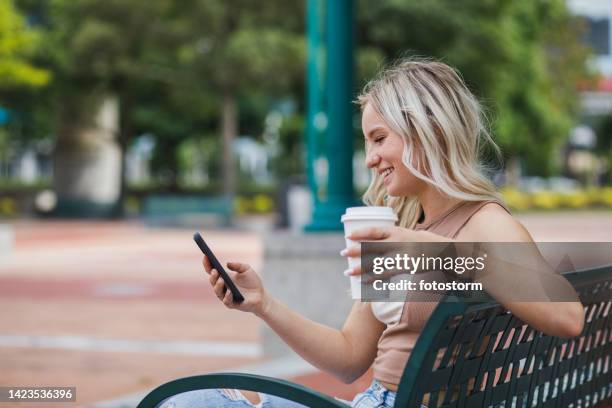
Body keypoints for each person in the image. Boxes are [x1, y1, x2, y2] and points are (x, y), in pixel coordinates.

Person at [159, 58, 585, 408]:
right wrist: (263, 304)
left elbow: (567, 316)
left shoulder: (484, 221)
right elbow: (349, 358)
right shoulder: (404, 229)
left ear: (427, 130)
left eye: (379, 139)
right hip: (374, 400)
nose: (371, 159)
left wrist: (437, 252)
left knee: (188, 404)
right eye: (368, 142)